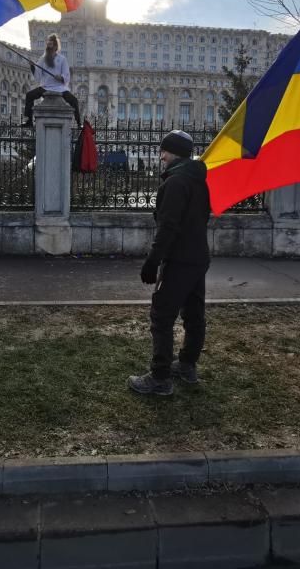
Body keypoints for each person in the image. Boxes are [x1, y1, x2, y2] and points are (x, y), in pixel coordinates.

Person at [128, 130, 210, 397]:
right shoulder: (199, 179)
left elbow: (168, 227)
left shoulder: (176, 182)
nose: (161, 156)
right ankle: (187, 365)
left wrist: (153, 261)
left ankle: (160, 377)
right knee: (194, 315)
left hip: (179, 259)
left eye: (164, 151)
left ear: (173, 153)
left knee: (162, 316)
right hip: (199, 257)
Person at [23, 33, 82, 127]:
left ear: (55, 46)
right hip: (46, 87)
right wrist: (32, 66)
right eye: (48, 45)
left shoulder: (62, 59)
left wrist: (61, 77)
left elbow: (66, 74)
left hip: (60, 88)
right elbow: (38, 75)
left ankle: (79, 123)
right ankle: (29, 121)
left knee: (74, 100)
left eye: (50, 45)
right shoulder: (42, 59)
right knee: (29, 95)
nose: (48, 47)